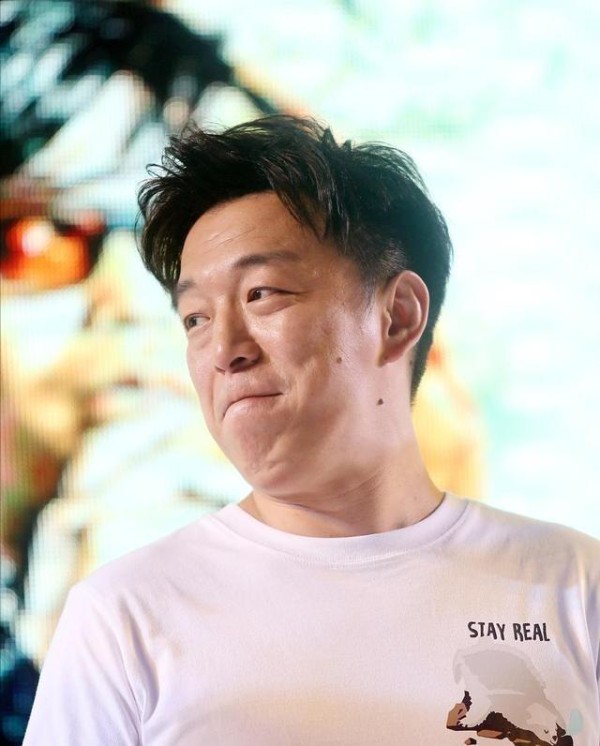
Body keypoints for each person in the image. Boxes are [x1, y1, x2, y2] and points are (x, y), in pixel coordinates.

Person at [23, 116, 599, 746]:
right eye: (195, 318)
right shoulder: (121, 619)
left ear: (397, 317)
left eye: (262, 294)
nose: (224, 349)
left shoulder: (574, 586)